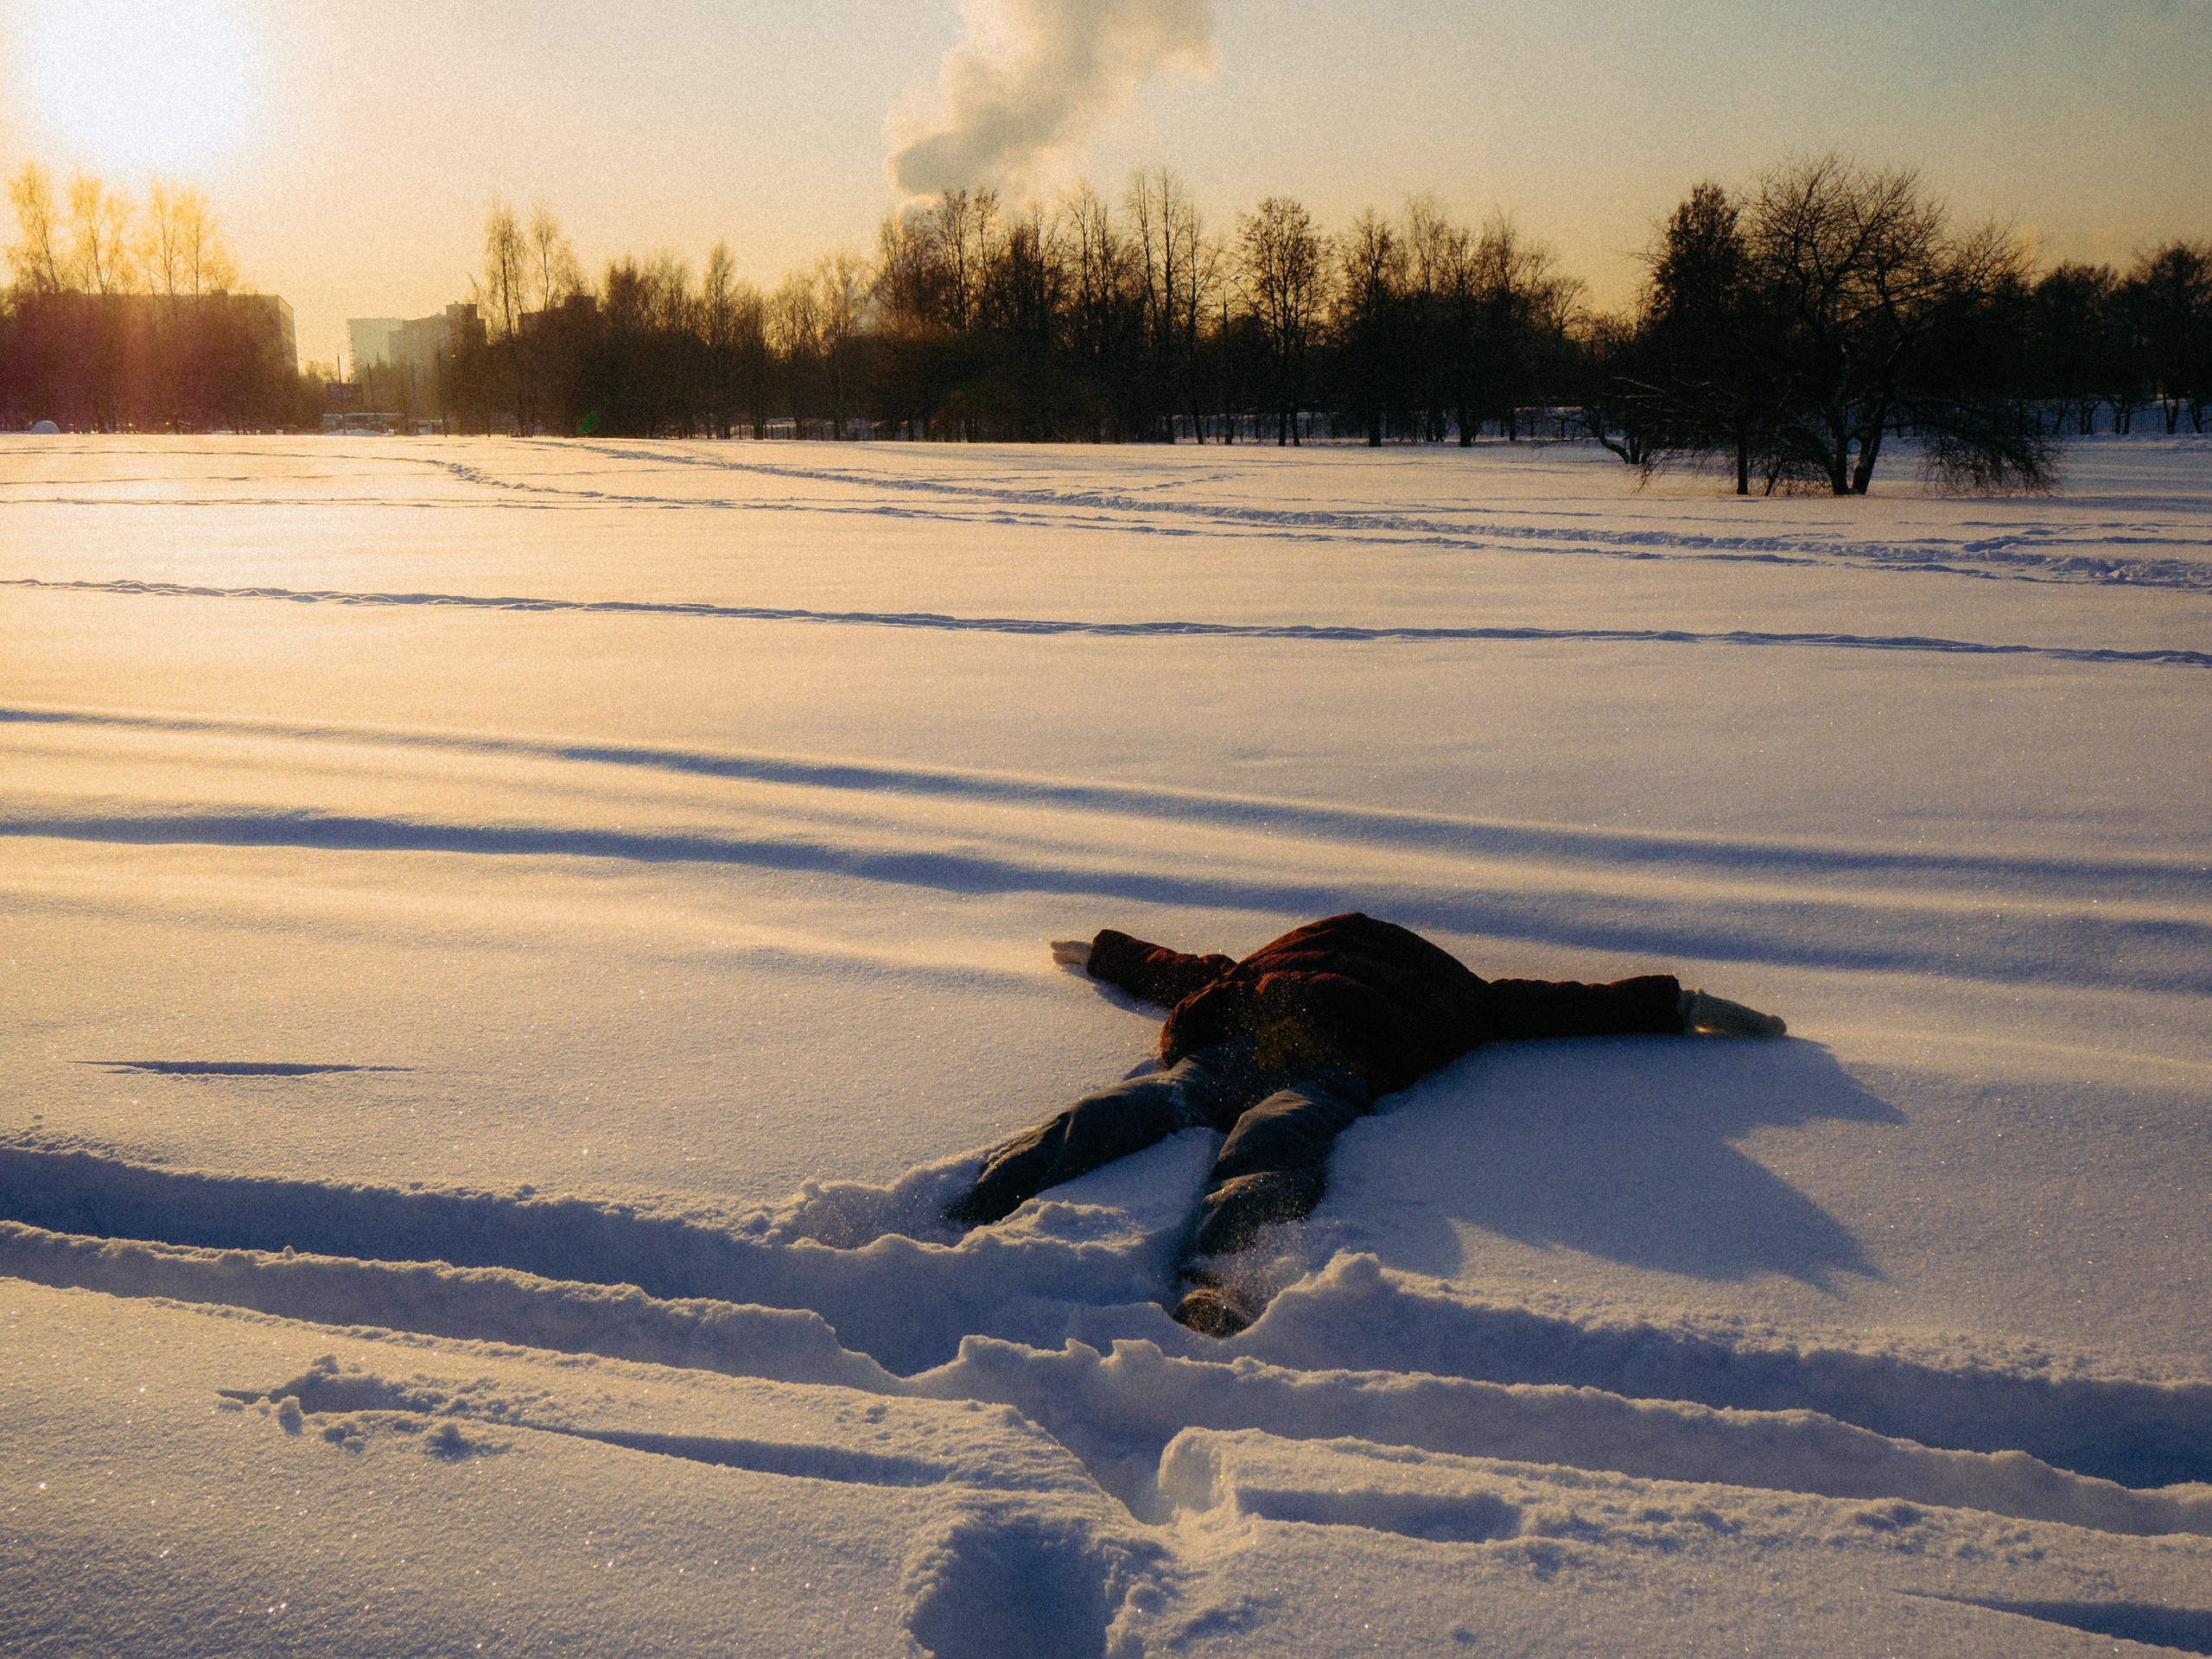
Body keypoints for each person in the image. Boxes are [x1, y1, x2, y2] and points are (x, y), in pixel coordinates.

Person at [945, 912, 1785, 1337]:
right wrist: (1106, 953)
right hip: (1242, 1045)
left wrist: (1677, 1005)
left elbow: (1557, 1004)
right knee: (1124, 1108)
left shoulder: (1451, 992)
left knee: (1271, 1145)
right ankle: (977, 1204)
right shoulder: (1277, 967)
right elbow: (1182, 970)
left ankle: (1222, 1281)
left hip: (1327, 1069)